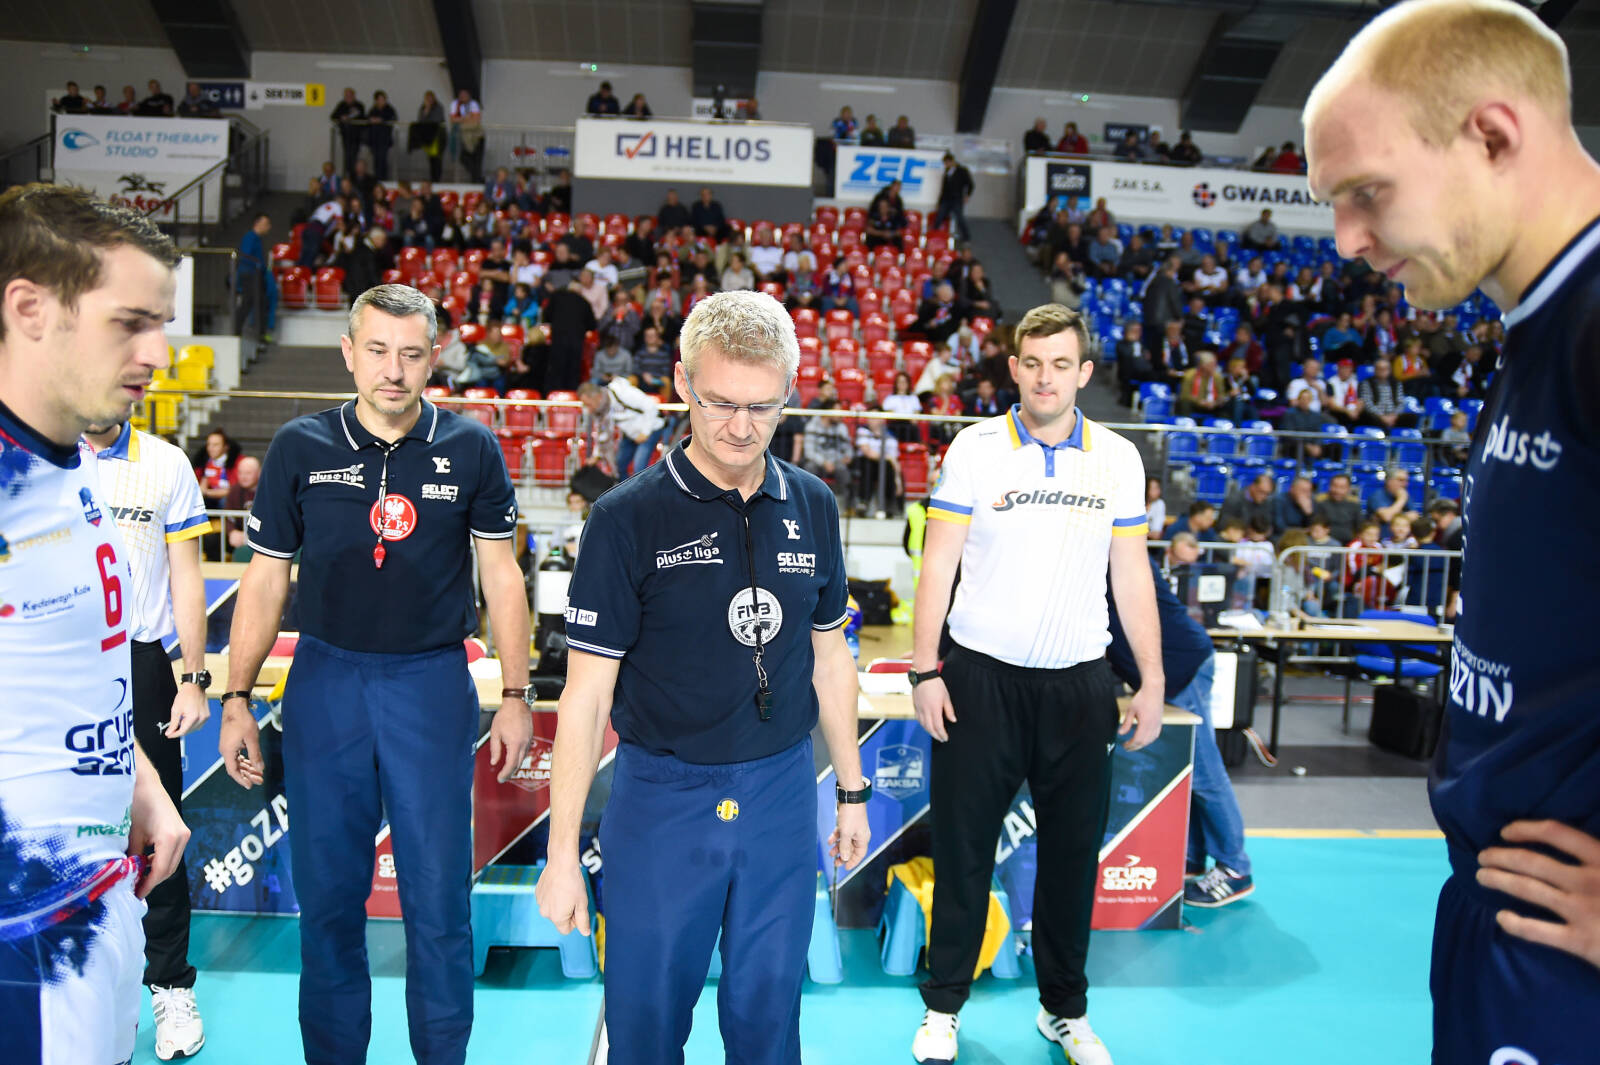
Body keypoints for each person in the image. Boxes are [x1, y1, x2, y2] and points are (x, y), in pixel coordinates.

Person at [536, 290, 870, 1064]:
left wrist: (850, 789)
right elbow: (585, 697)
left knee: (768, 1020)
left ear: (789, 392)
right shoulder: (625, 518)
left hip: (781, 793)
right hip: (662, 799)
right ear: (683, 383)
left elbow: (830, 656)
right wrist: (560, 853)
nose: (741, 427)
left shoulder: (813, 503)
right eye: (720, 402)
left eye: (762, 406)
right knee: (646, 1023)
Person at [218, 285, 533, 1065]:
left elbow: (502, 576)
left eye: (412, 353)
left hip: (431, 683)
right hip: (326, 682)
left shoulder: (470, 447)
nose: (394, 370)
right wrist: (235, 694)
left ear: (434, 357)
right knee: (328, 900)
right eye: (379, 351)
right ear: (349, 352)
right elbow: (265, 578)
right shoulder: (300, 446)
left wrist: (517, 693)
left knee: (438, 901)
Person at [908, 303, 1161, 1065]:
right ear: (1014, 368)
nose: (1046, 378)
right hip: (980, 680)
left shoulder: (1118, 457)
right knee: (963, 851)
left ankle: (1064, 1010)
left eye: (1061, 364)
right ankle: (943, 1007)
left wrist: (1151, 679)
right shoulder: (977, 448)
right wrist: (924, 666)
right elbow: (939, 562)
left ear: (1083, 373)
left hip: (1080, 686)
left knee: (1072, 858)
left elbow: (1131, 574)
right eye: (1034, 363)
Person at [0, 183, 190, 1065]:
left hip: (103, 894)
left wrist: (140, 782)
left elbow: (75, 665)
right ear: (30, 309)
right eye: (130, 323)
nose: (159, 353)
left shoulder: (72, 458)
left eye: (163, 324)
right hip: (23, 932)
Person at [83, 415, 214, 1060]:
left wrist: (192, 677)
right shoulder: (30, 456)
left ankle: (169, 985)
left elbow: (186, 575)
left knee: (159, 827)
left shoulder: (165, 463)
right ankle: (81, 987)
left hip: (140, 663)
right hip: (56, 662)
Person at [1110, 554, 1255, 905]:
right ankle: (1192, 857)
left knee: (1204, 773)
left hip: (1180, 667)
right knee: (1188, 770)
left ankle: (1235, 868)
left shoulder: (1118, 552)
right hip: (1172, 667)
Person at [235, 211, 278, 342]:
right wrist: (259, 265)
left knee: (258, 303)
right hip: (250, 275)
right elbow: (246, 256)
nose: (268, 227)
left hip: (256, 275)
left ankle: (258, 334)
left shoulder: (257, 239)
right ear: (257, 223)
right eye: (266, 223)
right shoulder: (250, 237)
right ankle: (239, 332)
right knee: (250, 303)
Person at [931, 153, 974, 242]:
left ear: (952, 161)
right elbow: (943, 188)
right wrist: (939, 202)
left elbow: (970, 184)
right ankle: (933, 234)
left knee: (959, 217)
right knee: (939, 216)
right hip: (946, 199)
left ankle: (966, 236)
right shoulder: (947, 171)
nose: (946, 165)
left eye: (947, 163)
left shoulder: (962, 171)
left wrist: (967, 195)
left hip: (957, 199)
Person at [330, 88, 366, 175]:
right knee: (347, 156)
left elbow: (362, 117)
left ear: (354, 96)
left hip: (356, 135)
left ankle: (354, 175)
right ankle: (347, 175)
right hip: (345, 135)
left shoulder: (359, 105)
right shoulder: (341, 105)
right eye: (346, 96)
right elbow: (333, 116)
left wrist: (349, 117)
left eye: (349, 96)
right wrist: (341, 117)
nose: (348, 97)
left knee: (354, 156)